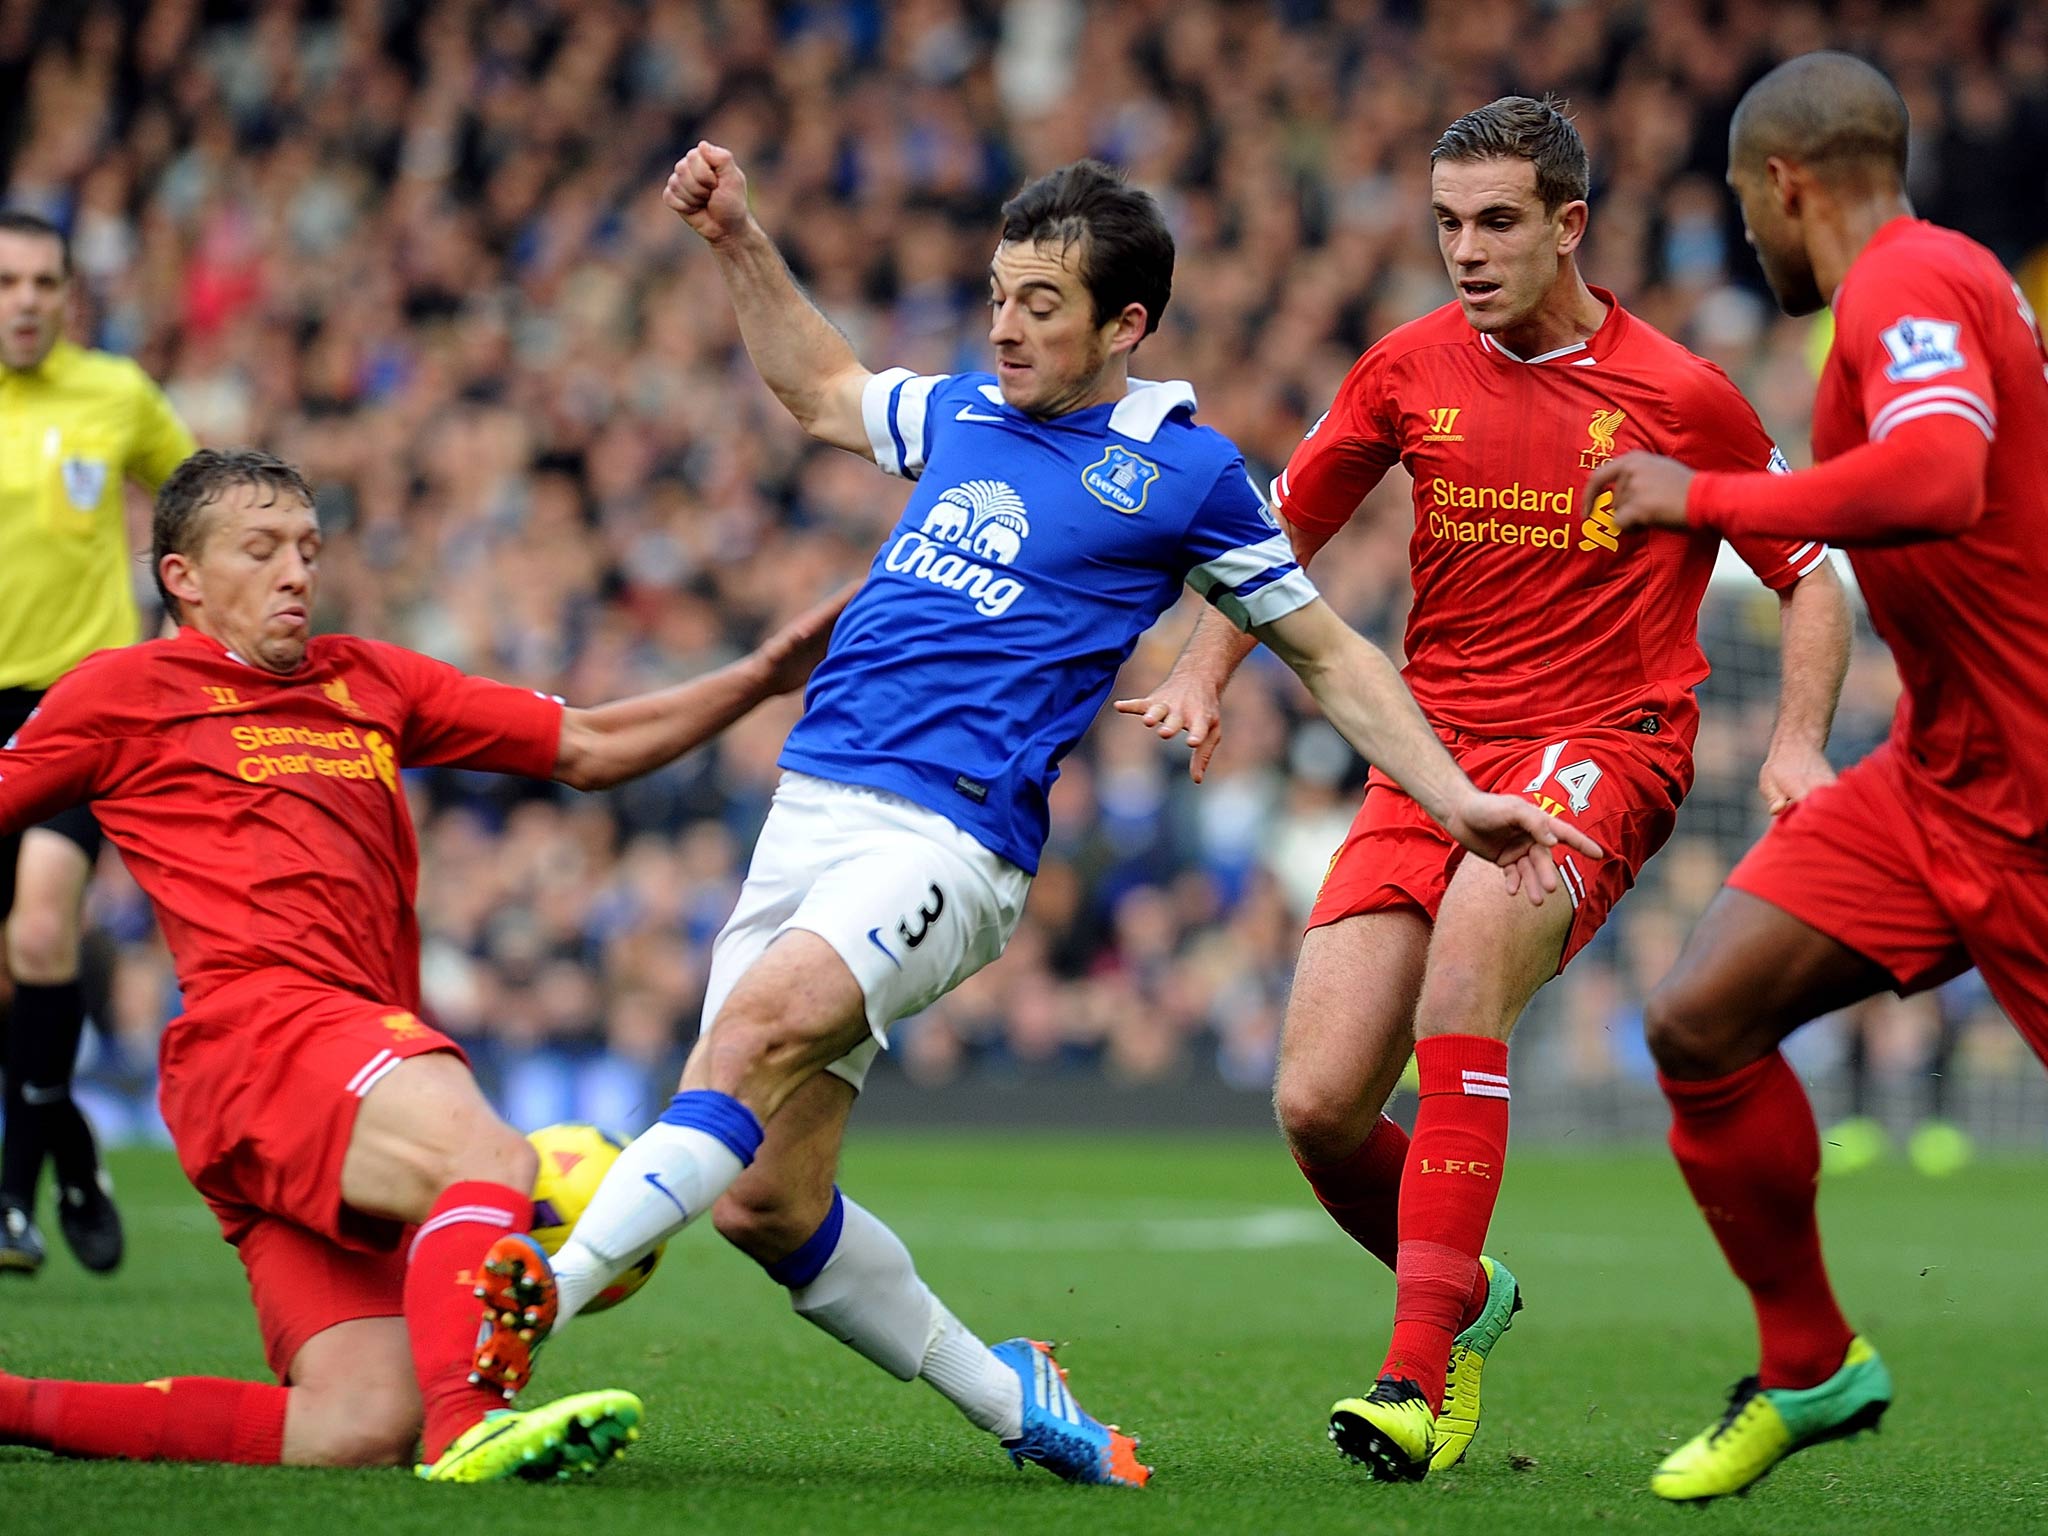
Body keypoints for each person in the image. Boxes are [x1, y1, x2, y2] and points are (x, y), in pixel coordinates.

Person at [465, 144, 1601, 1492]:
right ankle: (1017, 1400)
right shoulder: (962, 413)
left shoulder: (1186, 476)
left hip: (949, 840)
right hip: (813, 809)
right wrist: (738, 240)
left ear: (1124, 325)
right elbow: (822, 389)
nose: (1005, 324)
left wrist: (1454, 795)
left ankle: (513, 1322)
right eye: (1000, 295)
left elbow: (1333, 654)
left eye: (1042, 304)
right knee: (770, 1201)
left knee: (755, 1037)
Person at [1129, 96, 1851, 1482]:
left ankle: (1414, 1377)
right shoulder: (1407, 367)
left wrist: (1799, 741)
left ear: (1569, 225)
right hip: (1434, 751)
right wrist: (1208, 665)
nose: (1466, 248)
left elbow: (1810, 574)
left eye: (1499, 221)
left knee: (1467, 978)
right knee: (1319, 1108)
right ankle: (1468, 1287)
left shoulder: (1680, 394)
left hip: (1607, 740)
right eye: (1449, 222)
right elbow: (1281, 528)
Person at [0, 448, 848, 1482]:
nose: (296, 573)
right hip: (264, 1036)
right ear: (182, 577)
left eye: (307, 549)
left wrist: (763, 676)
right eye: (260, 550)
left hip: (325, 1073)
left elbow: (587, 745)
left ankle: (15, 1406)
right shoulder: (124, 690)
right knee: (488, 1158)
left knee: (352, 1427)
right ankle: (472, 1423)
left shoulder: (369, 679)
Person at [1589, 50, 2048, 1504]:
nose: (1744, 233)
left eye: (1742, 201)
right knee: (1702, 1019)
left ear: (1785, 183)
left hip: (2036, 802)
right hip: (1939, 778)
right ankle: (1810, 1365)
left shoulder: (1910, 281)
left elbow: (1936, 482)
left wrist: (1707, 496)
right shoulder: (1937, 285)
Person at [0, 209, 197, 1276]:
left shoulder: (112, 394)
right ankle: (73, 1151)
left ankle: (11, 1204)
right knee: (9, 975)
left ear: (70, 295)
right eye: (6, 282)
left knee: (40, 936)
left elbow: (198, 498)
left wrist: (190, 622)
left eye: (42, 282)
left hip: (75, 704)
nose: (24, 300)